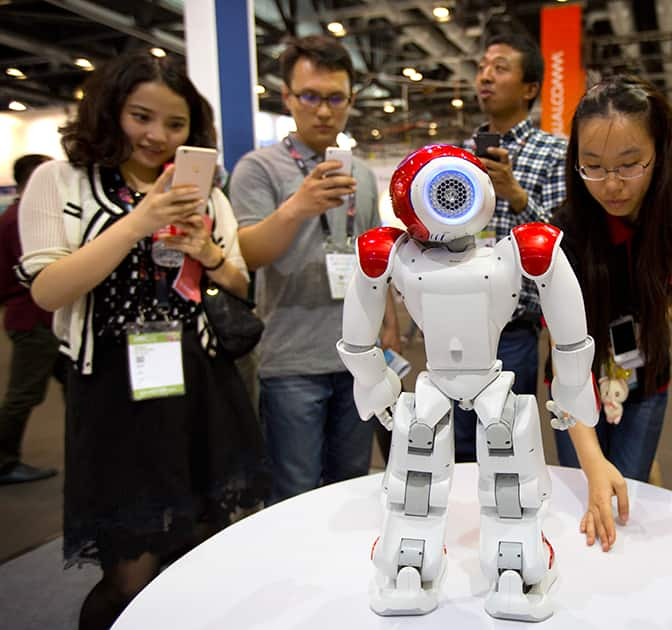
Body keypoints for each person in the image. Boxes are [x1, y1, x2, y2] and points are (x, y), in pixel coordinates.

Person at [16, 52, 269, 629]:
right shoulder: (62, 182)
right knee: (129, 571)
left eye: (175, 124)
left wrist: (206, 251)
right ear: (110, 112)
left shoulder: (203, 192)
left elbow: (238, 282)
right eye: (141, 116)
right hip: (112, 393)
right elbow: (48, 291)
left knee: (205, 548)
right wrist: (138, 219)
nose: (157, 136)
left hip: (199, 382)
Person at [229, 35, 398, 503]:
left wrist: (389, 322)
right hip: (290, 360)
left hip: (357, 356)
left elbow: (373, 252)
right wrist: (296, 208)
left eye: (335, 99)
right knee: (295, 490)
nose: (323, 111)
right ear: (287, 97)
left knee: (352, 483)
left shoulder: (362, 174)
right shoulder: (257, 169)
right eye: (310, 97)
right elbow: (247, 253)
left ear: (350, 100)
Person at [550, 76, 672, 551]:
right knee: (584, 506)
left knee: (628, 503)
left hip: (648, 377)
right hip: (578, 386)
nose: (611, 185)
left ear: (659, 152)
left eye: (630, 165)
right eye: (592, 167)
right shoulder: (566, 229)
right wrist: (592, 459)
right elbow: (560, 350)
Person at [454, 30, 568, 463]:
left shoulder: (554, 152)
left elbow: (561, 244)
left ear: (530, 88)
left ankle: (508, 528)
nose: (485, 76)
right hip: (453, 322)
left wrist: (517, 196)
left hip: (514, 329)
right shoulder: (456, 156)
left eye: (500, 68)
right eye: (482, 67)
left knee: (505, 444)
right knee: (456, 447)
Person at [0, 153, 59, 485]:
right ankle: (4, 461)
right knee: (24, 393)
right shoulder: (20, 219)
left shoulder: (16, 216)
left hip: (44, 320)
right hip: (33, 320)